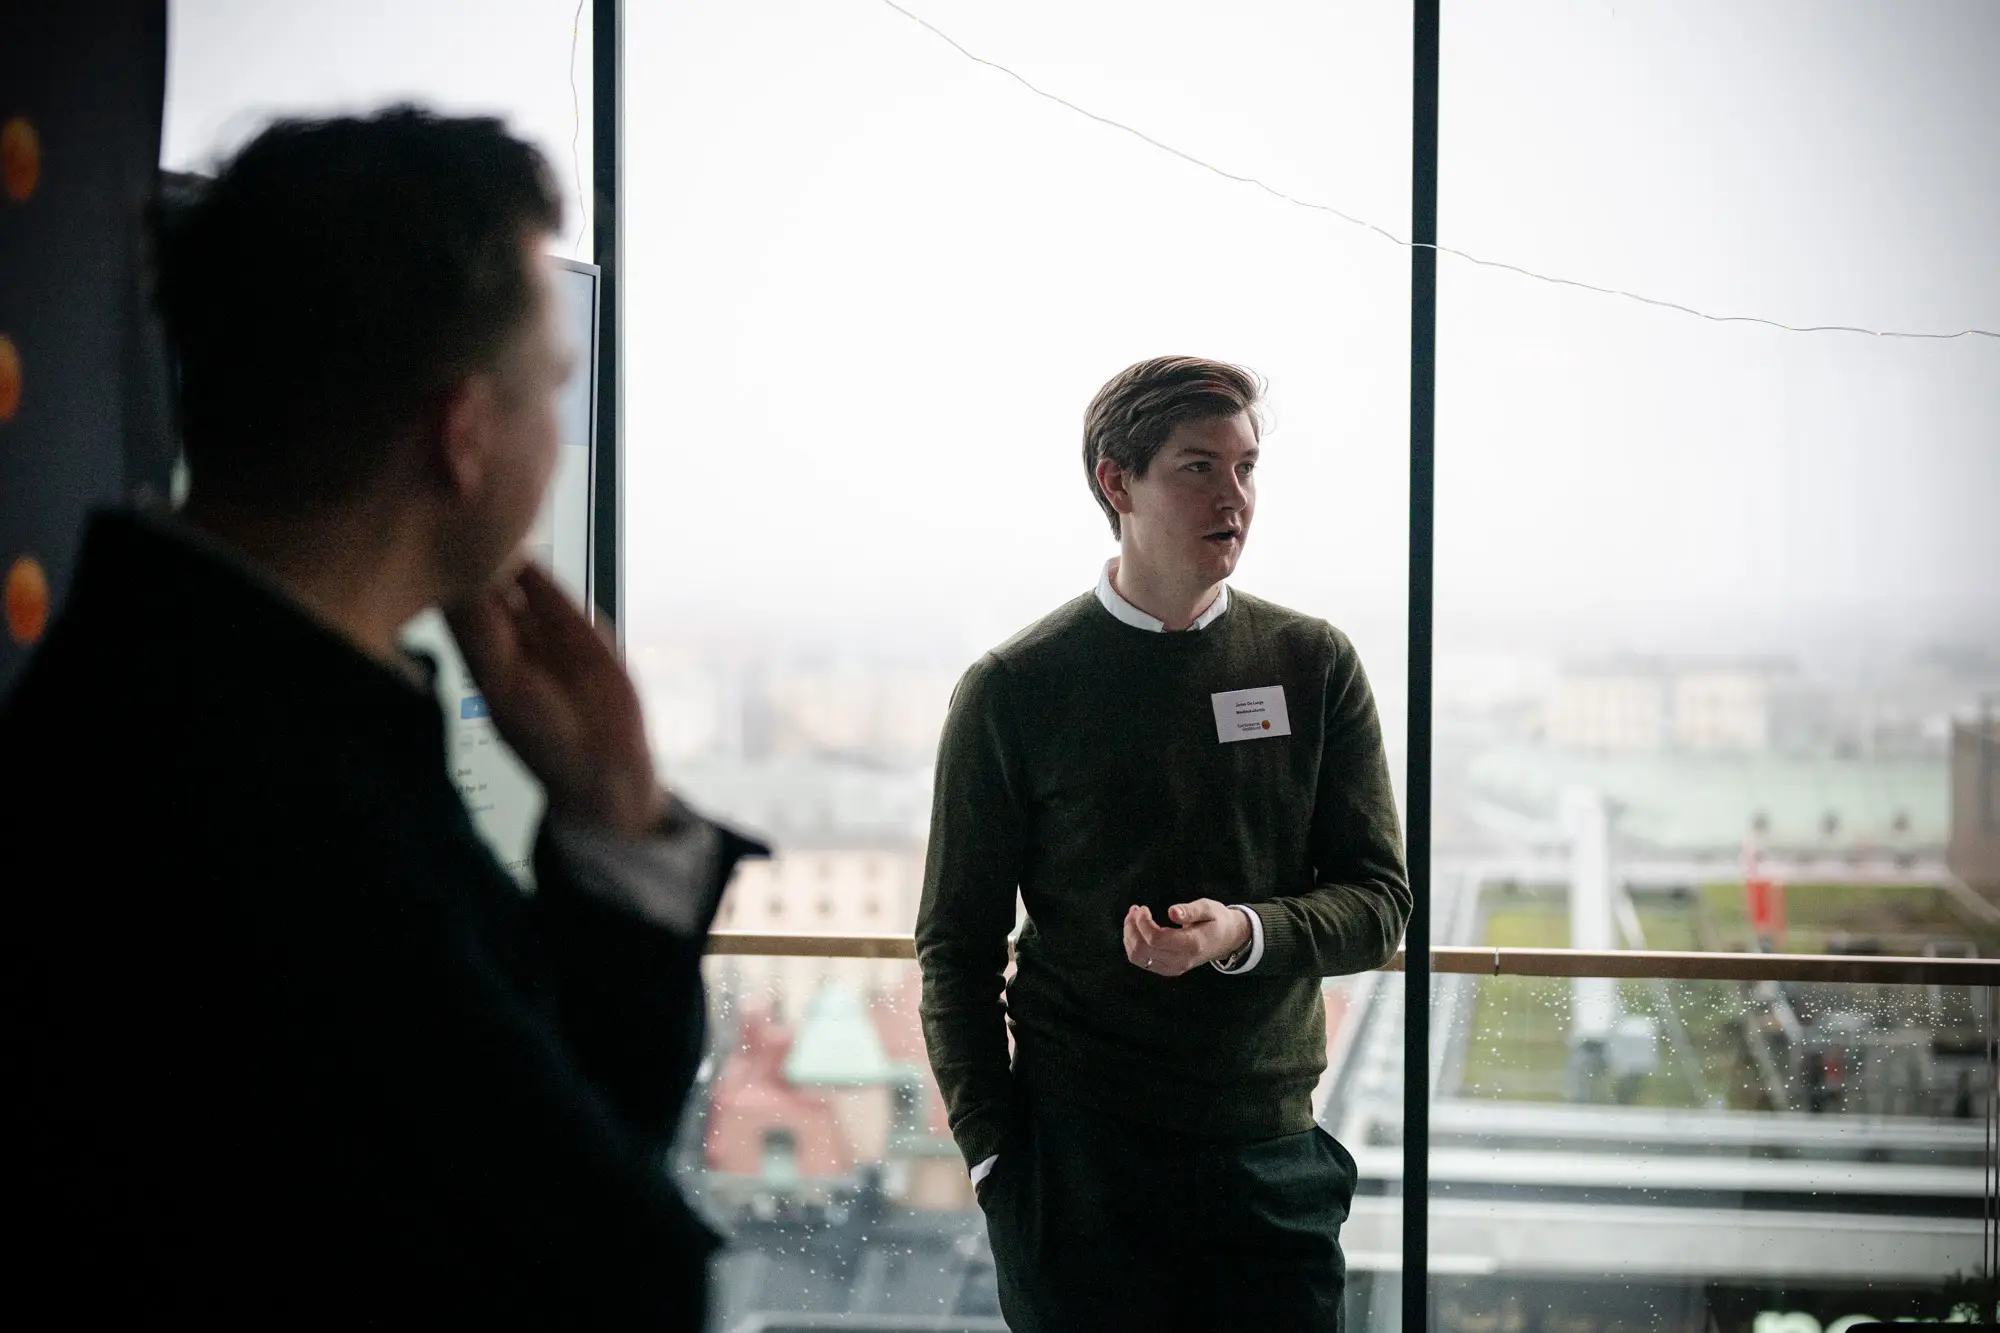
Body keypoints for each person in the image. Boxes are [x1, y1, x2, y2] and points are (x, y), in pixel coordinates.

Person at [0, 108, 756, 1326]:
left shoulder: (174, 694)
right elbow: (606, 1260)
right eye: (549, 396)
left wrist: (612, 820)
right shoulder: (268, 792)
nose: (554, 450)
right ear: (461, 432)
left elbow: (546, 1131)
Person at [916, 356, 1412, 1331]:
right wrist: (993, 1158)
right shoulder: (1014, 688)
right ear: (1116, 482)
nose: (1234, 496)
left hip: (1269, 1160)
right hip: (1079, 1173)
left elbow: (1379, 903)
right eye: (1197, 467)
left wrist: (1237, 931)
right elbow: (956, 947)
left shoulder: (1311, 664)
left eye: (1246, 467)